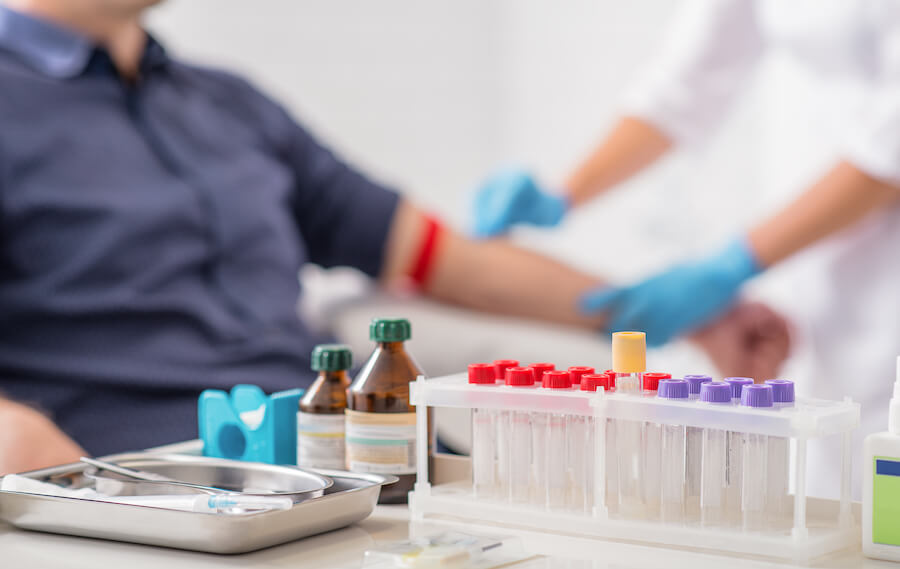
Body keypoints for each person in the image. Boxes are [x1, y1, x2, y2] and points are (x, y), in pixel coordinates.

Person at [0, 0, 789, 475]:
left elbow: (449, 260)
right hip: (145, 482)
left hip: (353, 468)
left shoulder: (230, 106)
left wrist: (660, 312)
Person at [473, 0, 900, 496]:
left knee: (879, 478)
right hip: (811, 260)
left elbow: (890, 141)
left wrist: (731, 264)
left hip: (881, 258)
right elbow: (684, 84)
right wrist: (565, 194)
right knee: (828, 478)